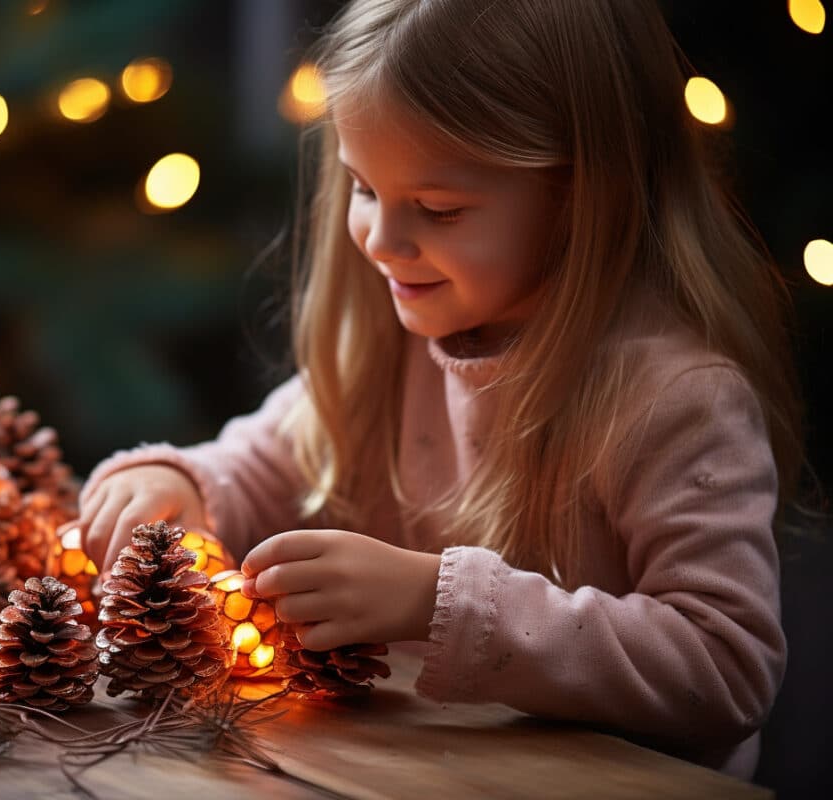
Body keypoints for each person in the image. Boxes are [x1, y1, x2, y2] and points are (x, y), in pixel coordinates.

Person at [75, 0, 804, 779]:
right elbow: (264, 466)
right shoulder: (398, 343)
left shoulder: (677, 402)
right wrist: (180, 487)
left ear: (583, 197)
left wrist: (438, 603)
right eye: (361, 188)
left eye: (437, 209)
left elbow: (725, 670)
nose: (382, 242)